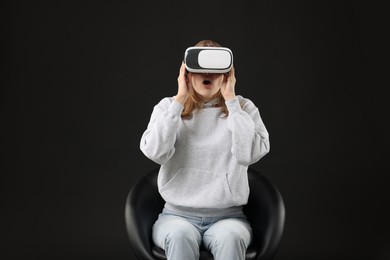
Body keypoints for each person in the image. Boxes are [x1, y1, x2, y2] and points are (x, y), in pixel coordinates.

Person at [139, 39, 270, 260]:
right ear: (187, 73)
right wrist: (179, 100)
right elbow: (154, 152)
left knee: (231, 238)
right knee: (180, 236)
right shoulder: (167, 108)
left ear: (227, 74)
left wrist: (232, 102)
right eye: (199, 69)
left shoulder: (244, 108)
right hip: (176, 216)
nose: (206, 74)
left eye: (214, 68)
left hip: (229, 218)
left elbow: (250, 154)